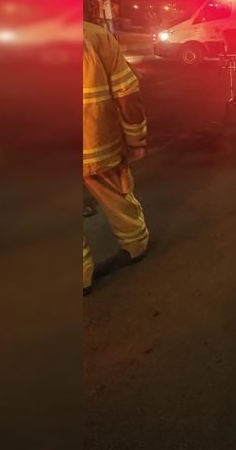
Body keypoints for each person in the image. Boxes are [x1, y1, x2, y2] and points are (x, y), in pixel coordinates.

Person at [83, 21, 150, 295]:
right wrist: (136, 139)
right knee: (117, 196)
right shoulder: (95, 36)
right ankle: (136, 247)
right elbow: (127, 96)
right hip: (97, 142)